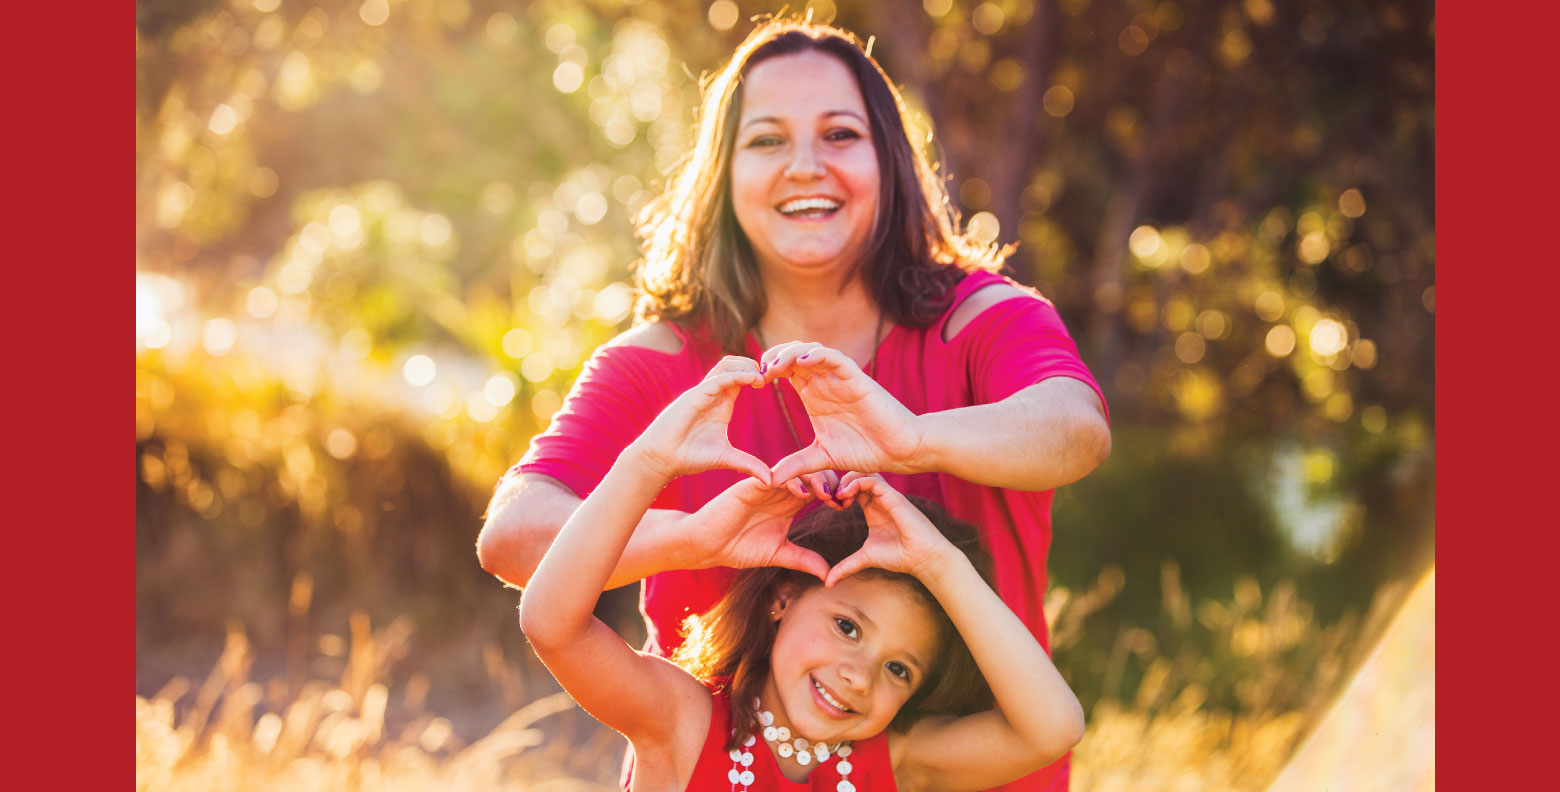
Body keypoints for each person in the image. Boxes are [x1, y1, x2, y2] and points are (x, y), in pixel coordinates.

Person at [479, 18, 1110, 790]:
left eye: (840, 134)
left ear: (891, 162)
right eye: (768, 140)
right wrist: (696, 537)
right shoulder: (663, 364)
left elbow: (1076, 429)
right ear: (725, 172)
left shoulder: (983, 318)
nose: (805, 167)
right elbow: (513, 537)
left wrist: (911, 440)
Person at [518, 362, 1086, 791]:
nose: (860, 678)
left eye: (898, 669)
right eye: (847, 627)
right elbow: (551, 625)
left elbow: (1052, 731)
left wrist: (940, 565)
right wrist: (651, 470)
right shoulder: (683, 722)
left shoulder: (897, 761)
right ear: (784, 598)